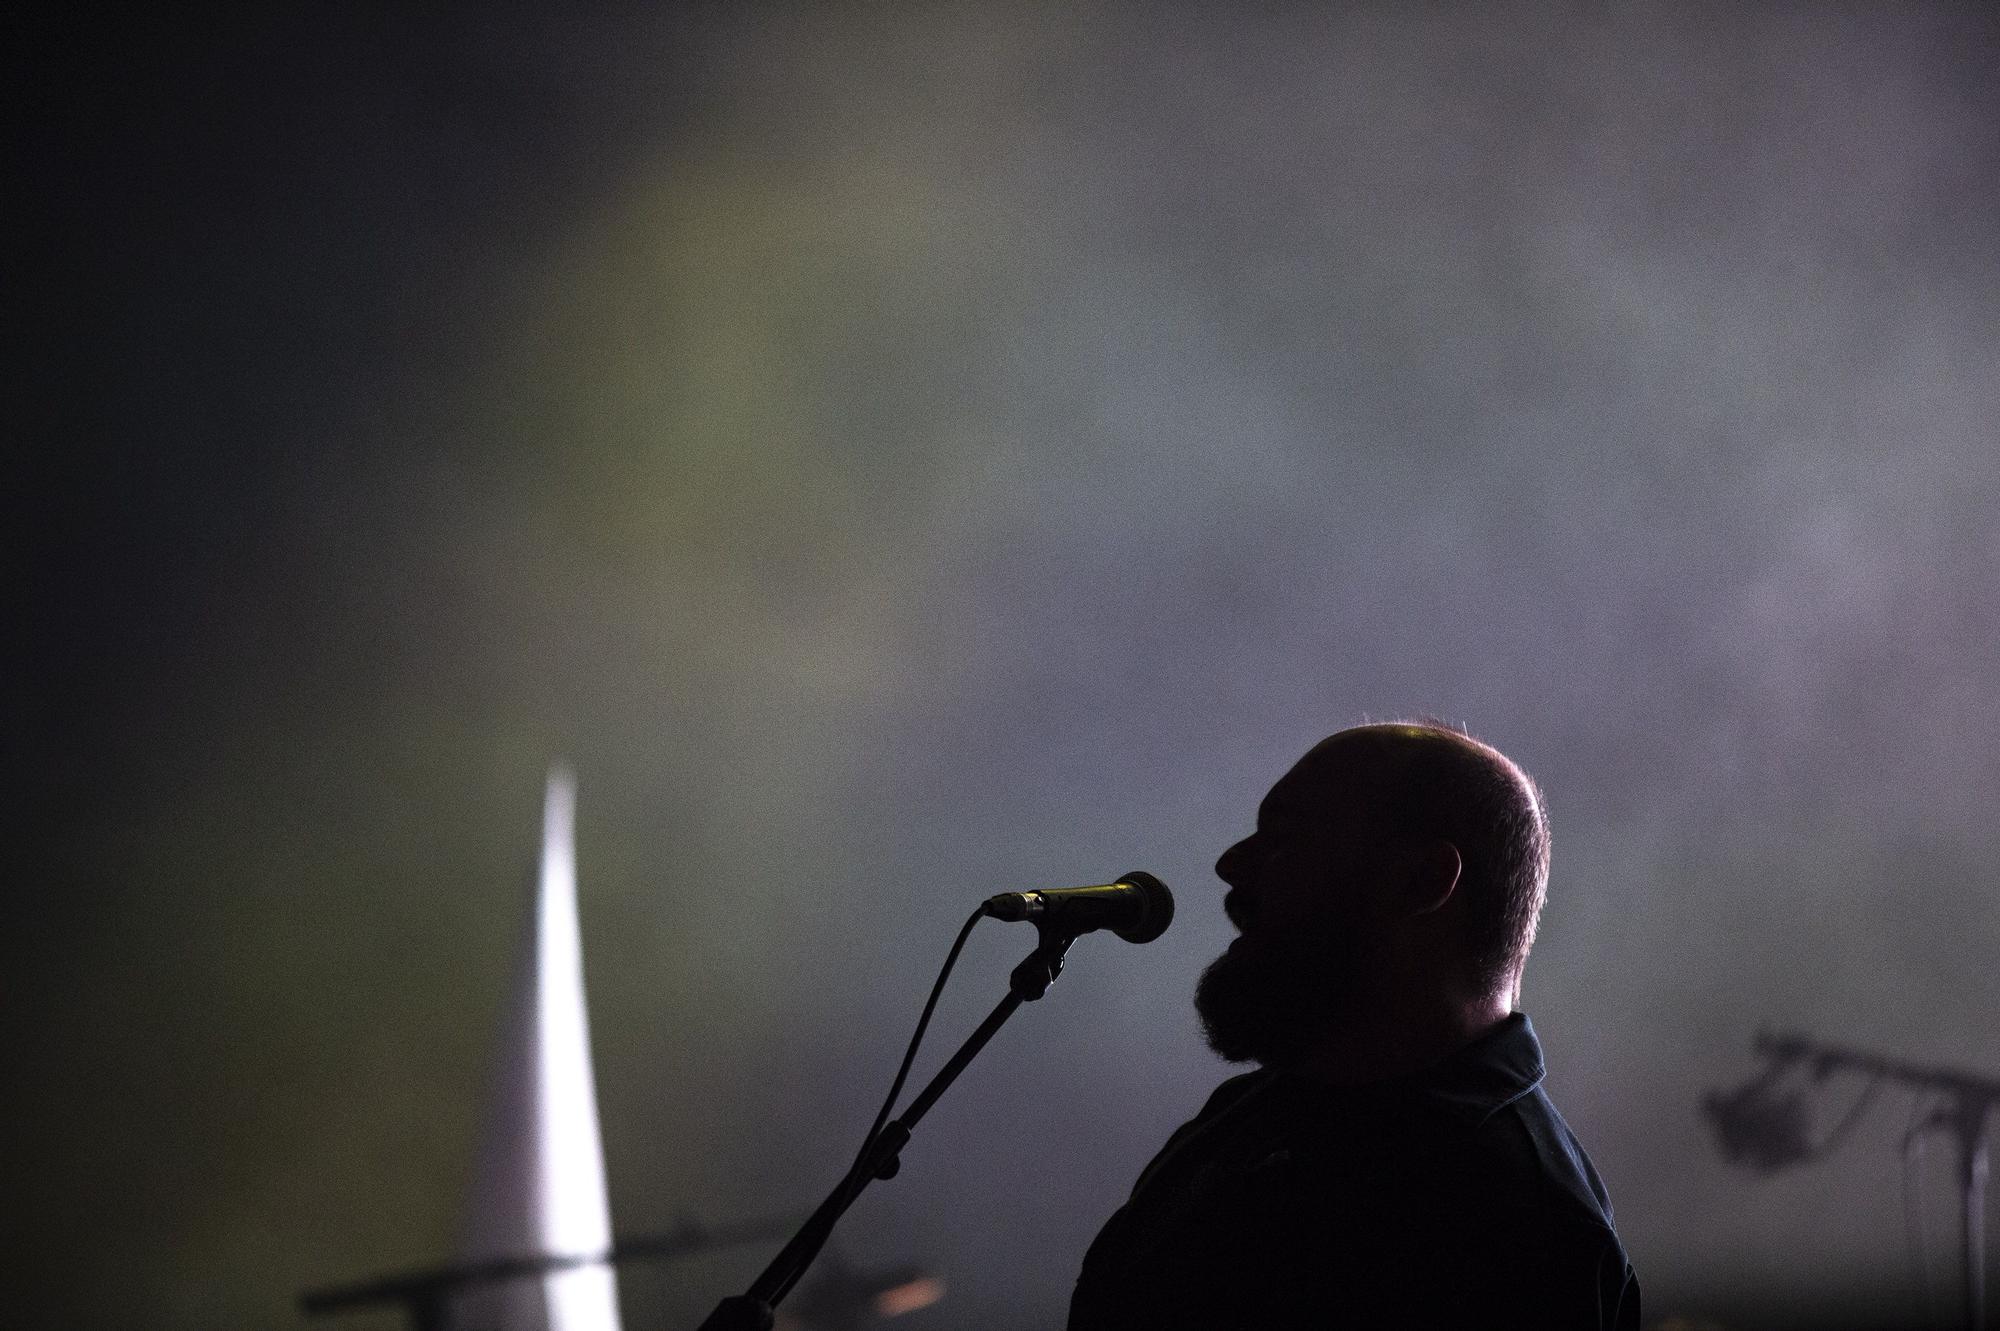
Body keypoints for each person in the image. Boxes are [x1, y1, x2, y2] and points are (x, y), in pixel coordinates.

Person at [1066, 721, 1639, 1330]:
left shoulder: (1521, 1219)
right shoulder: (1242, 1121)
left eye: (1285, 837)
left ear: (1422, 882)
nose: (1230, 864)